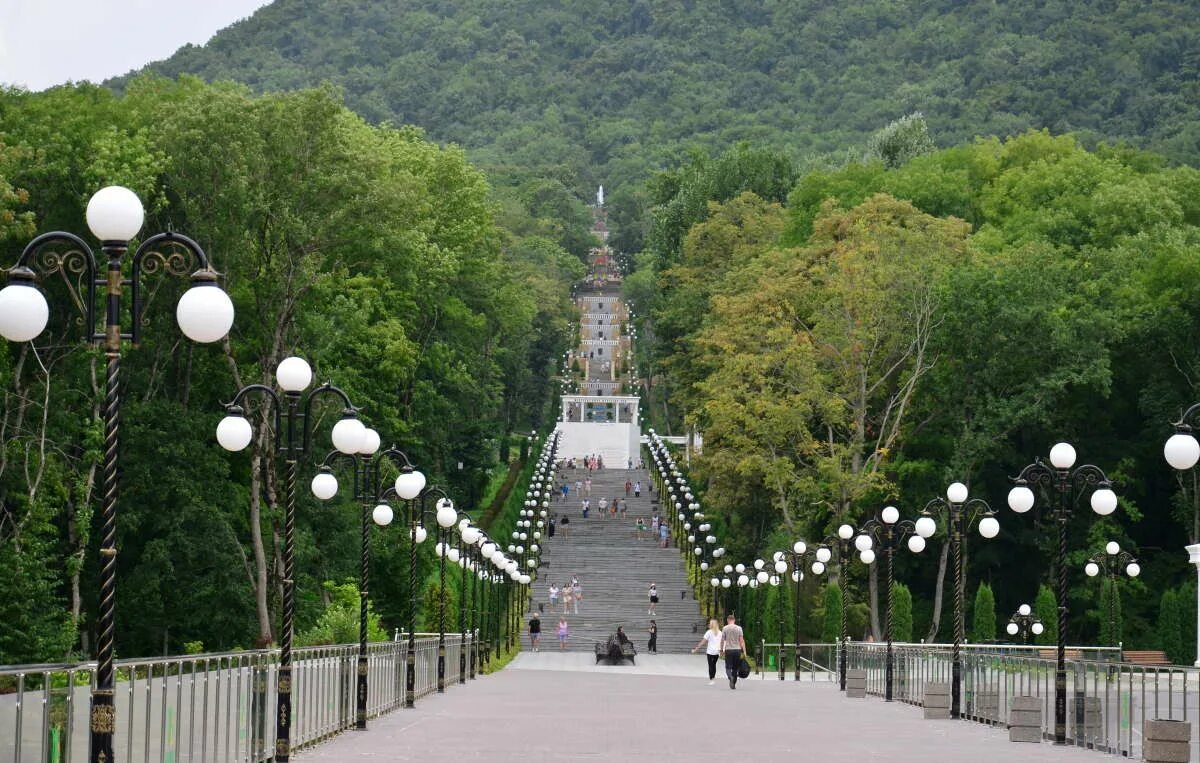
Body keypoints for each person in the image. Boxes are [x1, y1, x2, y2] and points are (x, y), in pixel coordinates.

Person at [692, 619, 723, 684]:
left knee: (710, 665)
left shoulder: (709, 632)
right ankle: (713, 678)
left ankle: (711, 679)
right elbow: (722, 642)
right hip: (717, 652)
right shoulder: (720, 632)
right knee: (714, 665)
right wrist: (721, 650)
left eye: (710, 623)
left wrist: (696, 649)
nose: (709, 624)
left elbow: (703, 642)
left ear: (711, 625)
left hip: (710, 651)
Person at [720, 614, 747, 690]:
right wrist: (744, 651)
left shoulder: (725, 628)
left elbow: (722, 640)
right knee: (735, 668)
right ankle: (733, 684)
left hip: (728, 650)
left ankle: (730, 677)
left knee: (728, 667)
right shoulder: (739, 628)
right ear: (734, 620)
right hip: (737, 650)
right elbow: (742, 641)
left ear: (728, 620)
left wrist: (721, 650)